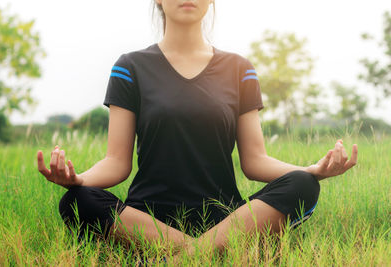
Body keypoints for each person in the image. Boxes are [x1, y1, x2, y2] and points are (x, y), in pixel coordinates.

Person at [36, 0, 358, 258]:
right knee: (76, 200)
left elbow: (255, 161)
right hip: (146, 220)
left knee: (303, 186)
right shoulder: (130, 67)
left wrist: (311, 170)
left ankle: (180, 256)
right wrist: (77, 180)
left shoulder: (239, 69)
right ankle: (207, 255)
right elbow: (117, 162)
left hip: (225, 220)